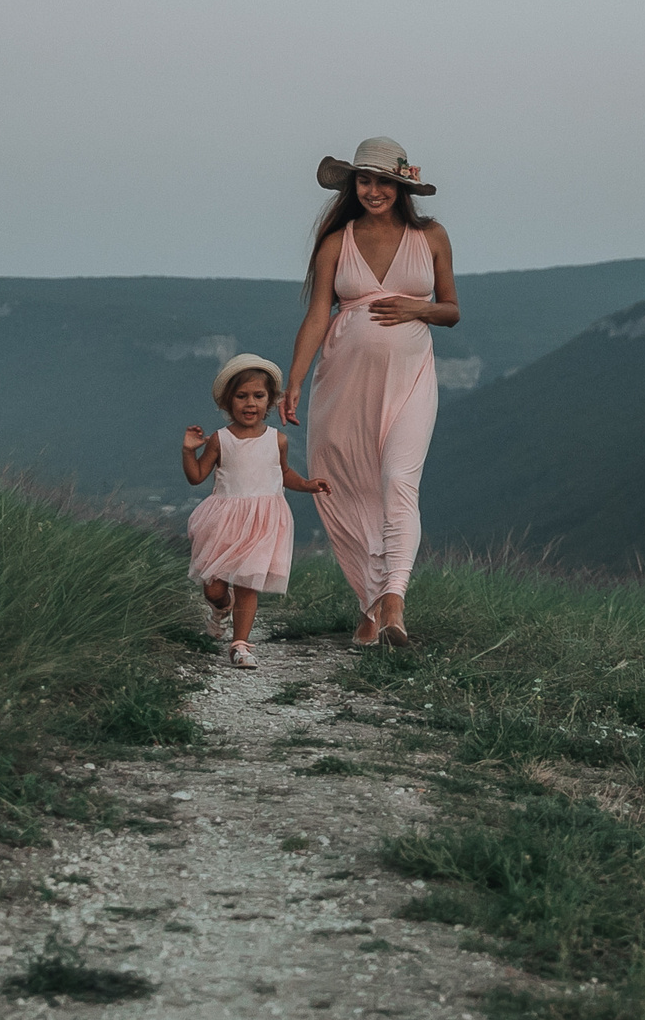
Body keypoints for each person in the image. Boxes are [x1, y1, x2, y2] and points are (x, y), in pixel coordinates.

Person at [283, 137, 460, 648]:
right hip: (343, 383)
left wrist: (416, 309)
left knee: (397, 480)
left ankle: (395, 603)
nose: (374, 190)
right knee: (351, 488)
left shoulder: (430, 236)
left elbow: (451, 309)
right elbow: (318, 314)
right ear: (352, 184)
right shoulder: (337, 242)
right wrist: (293, 379)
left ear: (401, 186)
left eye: (384, 181)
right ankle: (370, 604)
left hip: (410, 381)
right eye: (365, 180)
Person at [182, 353, 331, 669]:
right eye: (242, 396)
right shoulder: (220, 440)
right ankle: (220, 608)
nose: (250, 403)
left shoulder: (277, 439)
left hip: (263, 519)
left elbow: (283, 473)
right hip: (224, 521)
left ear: (271, 400)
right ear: (227, 401)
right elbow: (196, 477)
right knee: (215, 588)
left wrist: (306, 484)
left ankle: (240, 645)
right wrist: (187, 451)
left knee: (249, 583)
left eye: (258, 396)